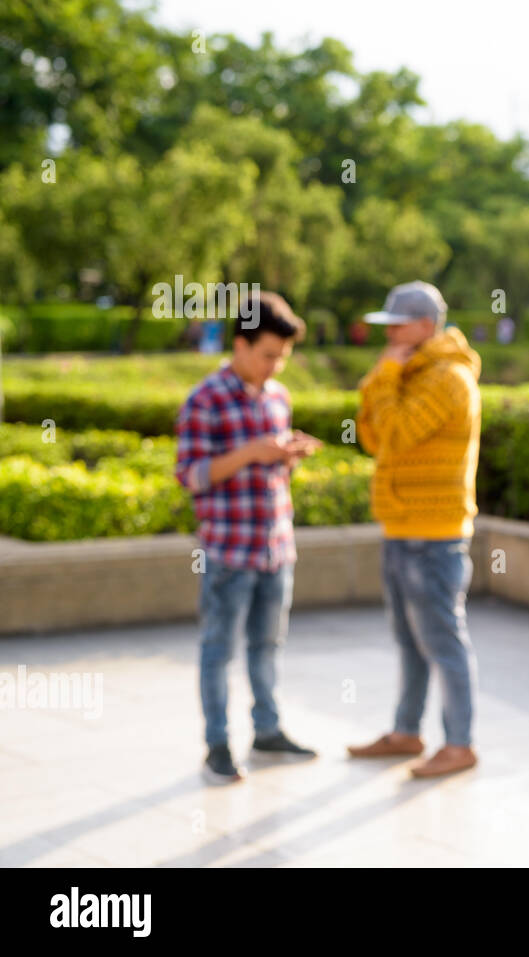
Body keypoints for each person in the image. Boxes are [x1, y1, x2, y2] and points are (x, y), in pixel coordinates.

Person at [175, 290, 324, 785]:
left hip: (276, 546)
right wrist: (251, 452)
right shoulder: (205, 398)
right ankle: (217, 743)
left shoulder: (278, 396)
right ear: (240, 344)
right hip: (229, 550)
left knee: (268, 645)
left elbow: (270, 466)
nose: (275, 366)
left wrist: (286, 454)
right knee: (218, 649)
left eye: (282, 357)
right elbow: (190, 475)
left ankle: (267, 730)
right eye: (267, 355)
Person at [347, 281, 483, 779]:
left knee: (444, 641)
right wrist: (388, 376)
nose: (389, 336)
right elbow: (371, 433)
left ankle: (460, 743)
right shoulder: (410, 373)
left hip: (435, 534)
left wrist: (385, 373)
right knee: (409, 641)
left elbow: (397, 434)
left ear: (426, 326)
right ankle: (407, 731)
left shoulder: (448, 378)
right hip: (401, 526)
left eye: (396, 325)